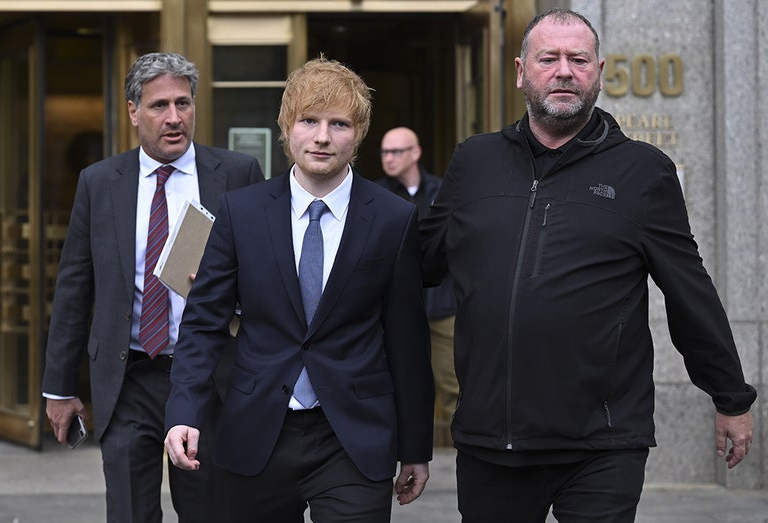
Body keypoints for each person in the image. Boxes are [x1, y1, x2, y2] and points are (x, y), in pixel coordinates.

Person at [420, 8, 756, 522]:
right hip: (493, 440)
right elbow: (419, 264)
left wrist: (730, 395)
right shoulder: (474, 161)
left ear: (599, 71)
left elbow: (690, 289)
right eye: (548, 58)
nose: (563, 71)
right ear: (519, 71)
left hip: (603, 441)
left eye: (578, 59)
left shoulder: (643, 172)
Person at [164, 56, 435, 522]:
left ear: (360, 133)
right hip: (257, 431)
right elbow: (203, 322)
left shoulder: (393, 219)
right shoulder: (242, 212)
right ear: (287, 128)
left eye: (339, 123)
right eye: (309, 121)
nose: (323, 136)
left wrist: (415, 447)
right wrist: (183, 410)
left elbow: (407, 341)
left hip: (352, 436)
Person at [42, 52, 264, 523]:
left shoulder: (237, 175)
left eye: (183, 104)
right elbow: (74, 287)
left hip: (207, 375)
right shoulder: (100, 182)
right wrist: (59, 388)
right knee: (128, 513)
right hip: (129, 377)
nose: (174, 118)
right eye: (159, 105)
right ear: (132, 111)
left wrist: (231, 292)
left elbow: (266, 278)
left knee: (208, 510)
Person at [376, 127, 458, 446]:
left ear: (416, 153)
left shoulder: (442, 191)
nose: (389, 158)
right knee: (395, 383)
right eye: (384, 152)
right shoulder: (376, 194)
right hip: (396, 311)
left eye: (397, 151)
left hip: (442, 306)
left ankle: (459, 459)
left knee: (453, 386)